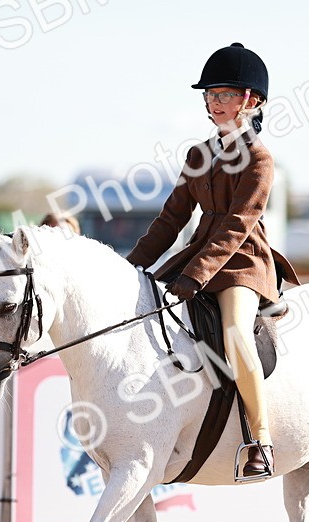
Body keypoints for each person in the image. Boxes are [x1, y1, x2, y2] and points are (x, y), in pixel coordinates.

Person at [126, 42, 298, 479]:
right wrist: (130, 267)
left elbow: (239, 223)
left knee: (237, 334)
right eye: (210, 95)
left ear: (251, 101)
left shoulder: (260, 158)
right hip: (198, 255)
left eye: (224, 95)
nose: (215, 102)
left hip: (241, 262)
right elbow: (171, 219)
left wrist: (198, 273)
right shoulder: (198, 156)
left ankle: (261, 440)